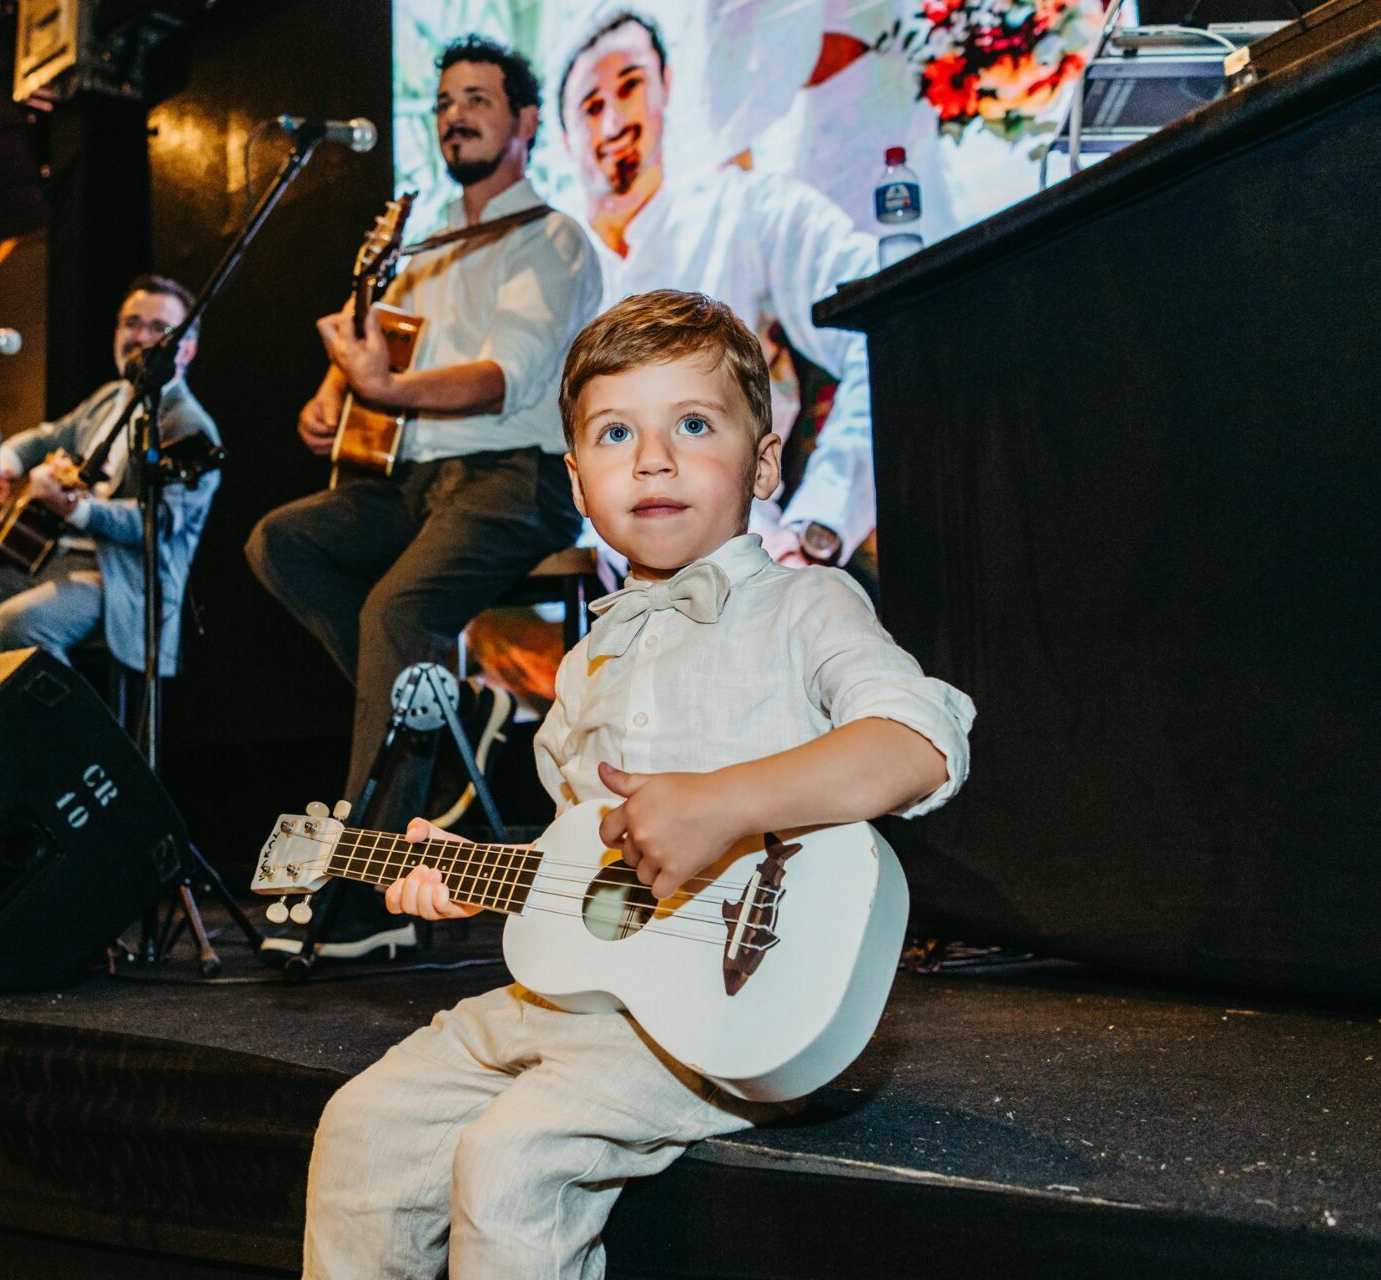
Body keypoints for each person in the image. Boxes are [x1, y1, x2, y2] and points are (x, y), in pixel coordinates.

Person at [300, 290, 975, 1278]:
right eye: (617, 432)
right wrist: (473, 868)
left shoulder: (804, 605)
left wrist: (726, 799)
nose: (651, 458)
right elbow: (591, 858)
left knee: (509, 1158)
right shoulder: (586, 666)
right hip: (573, 995)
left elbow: (922, 741)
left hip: (721, 1014)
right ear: (577, 478)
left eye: (693, 424)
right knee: (361, 1122)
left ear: (765, 460)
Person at [245, 34, 603, 956]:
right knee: (281, 541)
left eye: (480, 99)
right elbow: (377, 355)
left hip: (516, 479)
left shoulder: (551, 236)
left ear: (525, 122)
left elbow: (505, 377)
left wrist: (387, 388)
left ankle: (369, 895)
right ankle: (442, 706)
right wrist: (334, 399)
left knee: (397, 611)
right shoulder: (422, 243)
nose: (458, 115)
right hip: (413, 480)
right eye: (446, 102)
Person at [558, 9, 881, 569]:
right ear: (565, 139)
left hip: (747, 554)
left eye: (630, 86)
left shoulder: (747, 211)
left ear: (668, 89)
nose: (612, 121)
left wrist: (820, 522)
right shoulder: (555, 270)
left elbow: (886, 327)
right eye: (590, 106)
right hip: (598, 573)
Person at [0, 274, 220, 675]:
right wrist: (6, 462)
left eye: (158, 328)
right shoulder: (109, 398)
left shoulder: (189, 425)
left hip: (121, 580)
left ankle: (61, 738)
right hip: (46, 562)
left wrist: (78, 511)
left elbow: (158, 522)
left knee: (19, 622)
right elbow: (48, 435)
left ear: (186, 349)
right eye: (131, 323)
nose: (140, 336)